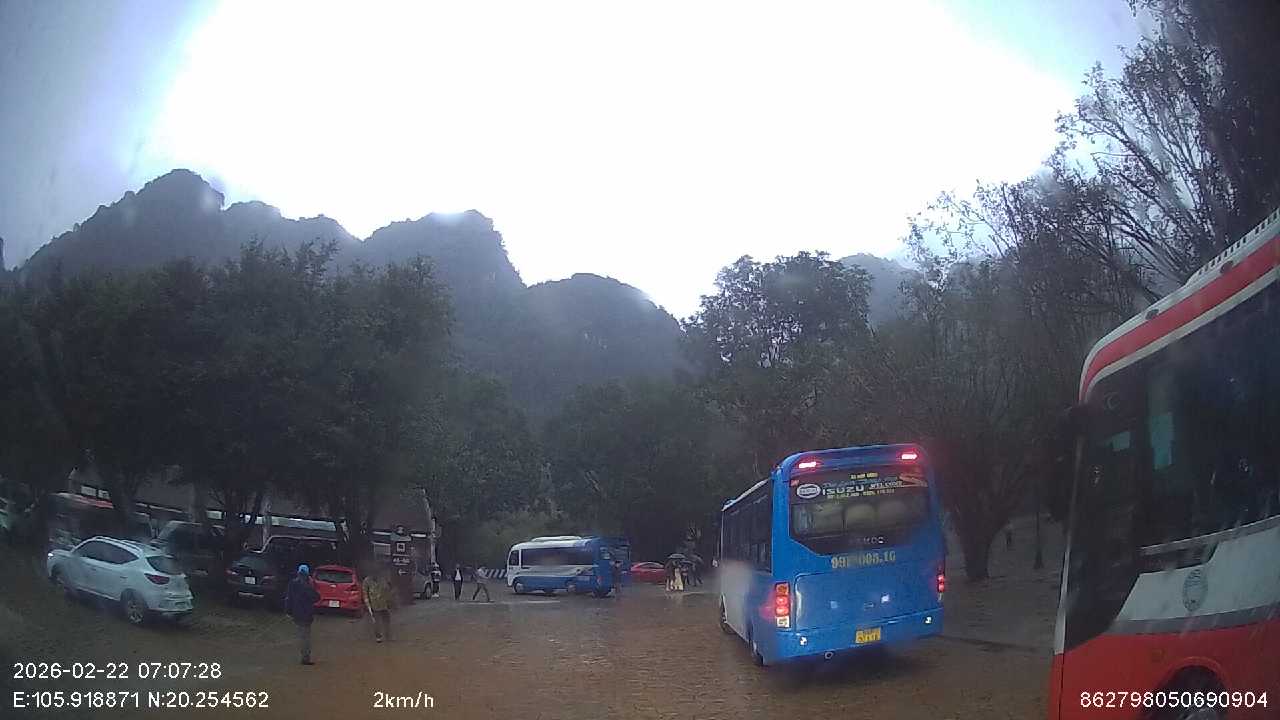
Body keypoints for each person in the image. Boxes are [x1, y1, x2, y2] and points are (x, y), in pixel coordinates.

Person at [284, 564, 320, 665]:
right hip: (306, 614)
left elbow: (288, 598)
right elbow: (316, 597)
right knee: (305, 636)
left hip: (296, 613)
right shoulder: (307, 585)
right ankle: (305, 657)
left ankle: (304, 656)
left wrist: (288, 611)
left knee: (302, 635)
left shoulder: (292, 583)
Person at [362, 568, 393, 643]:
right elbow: (365, 594)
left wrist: (389, 602)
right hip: (374, 605)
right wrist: (368, 606)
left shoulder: (382, 579)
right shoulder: (367, 581)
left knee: (387, 620)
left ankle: (388, 635)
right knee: (376, 621)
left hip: (384, 604)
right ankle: (378, 637)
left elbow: (387, 590)